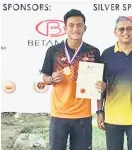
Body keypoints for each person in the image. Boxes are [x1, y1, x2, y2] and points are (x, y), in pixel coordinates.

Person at [41, 9, 105, 150]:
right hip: (59, 114)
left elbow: (100, 84)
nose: (75, 28)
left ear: (84, 27)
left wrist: (100, 108)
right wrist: (51, 78)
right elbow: (45, 78)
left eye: (79, 25)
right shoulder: (53, 51)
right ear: (65, 28)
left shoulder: (93, 52)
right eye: (71, 25)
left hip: (83, 115)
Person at [97, 16, 132, 150]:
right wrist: (99, 111)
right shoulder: (107, 54)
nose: (125, 32)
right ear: (115, 32)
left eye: (129, 28)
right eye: (121, 29)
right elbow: (99, 86)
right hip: (113, 117)